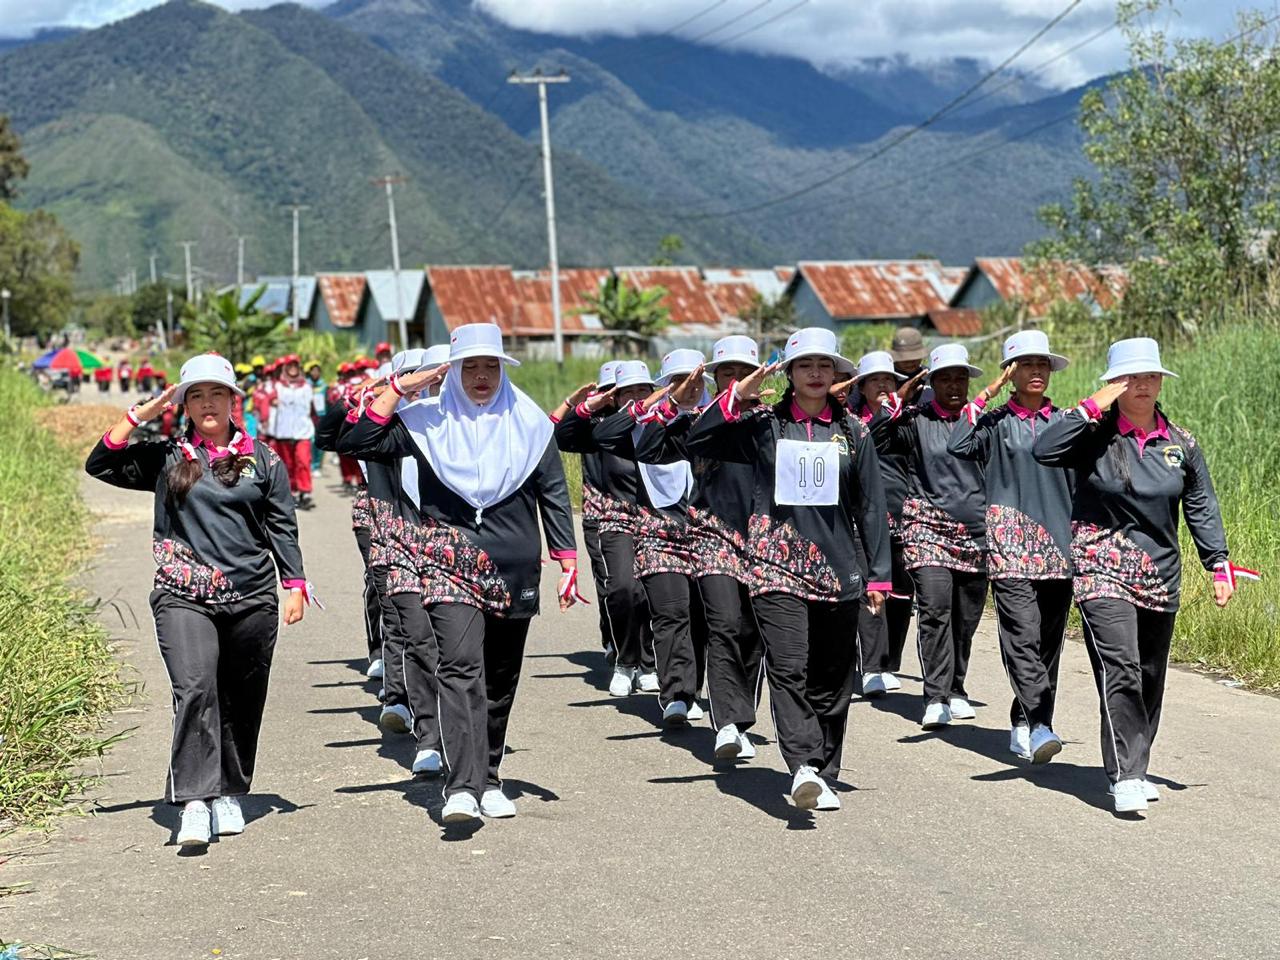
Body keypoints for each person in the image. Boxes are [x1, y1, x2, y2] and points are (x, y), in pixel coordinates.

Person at [339, 324, 581, 824]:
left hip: (513, 565)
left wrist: (567, 559)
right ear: (450, 372)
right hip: (448, 564)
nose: (481, 376)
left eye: (489, 366)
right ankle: (463, 787)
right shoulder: (424, 422)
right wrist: (404, 386)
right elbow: (355, 436)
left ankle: (489, 776)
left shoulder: (530, 422)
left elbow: (554, 491)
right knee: (459, 665)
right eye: (469, 366)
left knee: (499, 678)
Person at [85, 352, 308, 849]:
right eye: (196, 395)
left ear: (234, 401)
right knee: (195, 687)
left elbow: (281, 524)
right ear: (184, 404)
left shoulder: (264, 460)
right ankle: (192, 801)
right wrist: (140, 414)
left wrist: (294, 582)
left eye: (217, 394)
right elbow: (100, 462)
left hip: (251, 596)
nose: (208, 404)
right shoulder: (166, 457)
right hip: (182, 595)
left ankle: (228, 791)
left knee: (241, 695)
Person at [688, 328, 891, 811]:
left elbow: (871, 506)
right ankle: (801, 764)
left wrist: (879, 574)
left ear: (837, 373)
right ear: (788, 374)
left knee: (833, 676)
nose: (816, 374)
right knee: (788, 665)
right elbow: (700, 436)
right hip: (775, 565)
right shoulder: (762, 425)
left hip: (839, 570)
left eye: (824, 365)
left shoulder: (854, 432)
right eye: (804, 366)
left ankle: (823, 767)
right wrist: (738, 395)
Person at [1033, 337, 1235, 814]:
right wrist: (1090, 406)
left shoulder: (1181, 443)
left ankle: (1134, 762)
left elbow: (1201, 505)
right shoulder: (1092, 435)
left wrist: (1218, 562)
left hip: (1159, 573)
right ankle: (1126, 774)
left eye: (1150, 375)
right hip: (1101, 566)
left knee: (1148, 675)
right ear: (1115, 384)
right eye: (1130, 377)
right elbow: (1044, 448)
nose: (1142, 384)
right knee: (1119, 666)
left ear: (1162, 380)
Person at [635, 335, 765, 760]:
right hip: (711, 535)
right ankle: (729, 722)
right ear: (714, 378)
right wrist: (674, 403)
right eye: (727, 373)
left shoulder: (772, 422)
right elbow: (648, 448)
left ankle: (741, 712)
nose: (737, 381)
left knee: (752, 633)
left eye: (745, 373)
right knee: (724, 623)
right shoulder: (697, 423)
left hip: (766, 541)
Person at [949, 331, 1075, 764]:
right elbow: (959, 443)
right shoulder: (995, 423)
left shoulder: (1067, 422)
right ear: (1011, 372)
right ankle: (1041, 725)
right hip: (1009, 544)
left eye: (1043, 364)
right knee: (1021, 636)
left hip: (1059, 545)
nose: (1037, 371)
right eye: (1026, 365)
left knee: (1047, 643)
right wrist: (988, 393)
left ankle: (1026, 719)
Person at [871, 343, 986, 731]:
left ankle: (956, 688)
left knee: (965, 617)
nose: (954, 385)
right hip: (926, 529)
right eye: (945, 378)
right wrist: (894, 405)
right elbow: (873, 441)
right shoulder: (916, 421)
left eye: (960, 378)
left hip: (976, 533)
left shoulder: (983, 422)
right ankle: (935, 695)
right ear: (931, 382)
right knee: (935, 608)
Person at [593, 350, 706, 727]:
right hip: (655, 529)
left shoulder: (715, 420)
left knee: (704, 616)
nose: (687, 388)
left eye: (693, 380)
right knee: (661, 608)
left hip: (707, 530)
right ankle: (671, 689)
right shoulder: (643, 426)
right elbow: (602, 433)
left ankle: (695, 687)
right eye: (676, 382)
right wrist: (654, 406)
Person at [554, 360, 659, 696]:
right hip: (605, 515)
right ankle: (622, 655)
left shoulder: (659, 423)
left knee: (647, 592)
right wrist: (581, 406)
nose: (636, 397)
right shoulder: (599, 426)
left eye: (643, 389)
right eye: (624, 391)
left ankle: (647, 661)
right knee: (617, 588)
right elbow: (561, 435)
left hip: (654, 519)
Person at [843, 351, 912, 698]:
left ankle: (887, 660)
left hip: (901, 513)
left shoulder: (907, 419)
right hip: (862, 516)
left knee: (901, 594)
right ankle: (871, 667)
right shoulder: (848, 421)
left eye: (889, 379)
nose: (883, 385)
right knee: (869, 588)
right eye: (875, 380)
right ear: (862, 386)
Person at [551, 360, 621, 662]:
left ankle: (639, 647)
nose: (615, 397)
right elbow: (550, 434)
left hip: (638, 515)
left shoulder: (643, 420)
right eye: (610, 390)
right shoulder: (588, 424)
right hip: (597, 513)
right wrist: (576, 404)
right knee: (608, 582)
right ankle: (613, 640)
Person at [271, 355, 316, 509]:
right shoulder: (277, 387)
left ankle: (305, 491)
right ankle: (293, 492)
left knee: (303, 461)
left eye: (295, 365)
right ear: (285, 368)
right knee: (287, 465)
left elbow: (314, 408)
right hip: (283, 432)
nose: (292, 368)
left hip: (303, 431)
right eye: (289, 365)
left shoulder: (307, 387)